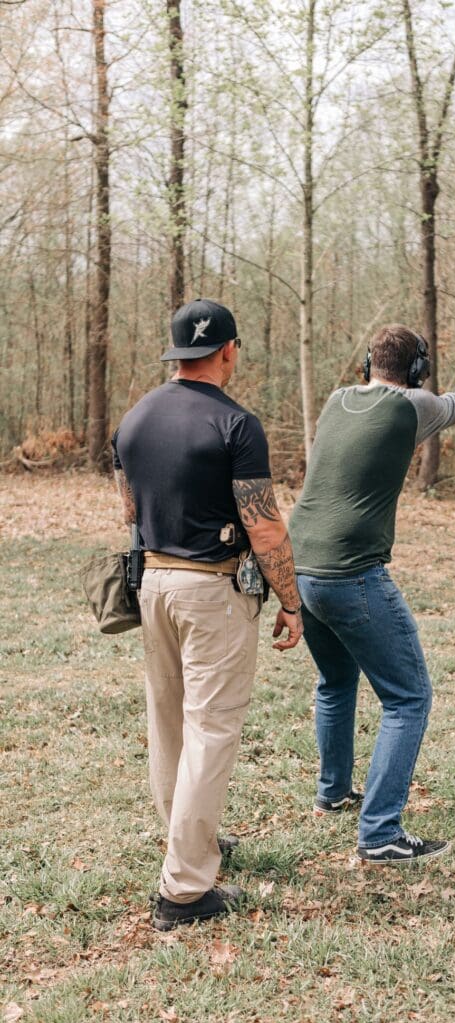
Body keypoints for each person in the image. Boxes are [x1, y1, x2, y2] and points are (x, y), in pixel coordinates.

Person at [112, 298, 303, 931]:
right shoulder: (236, 425)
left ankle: (189, 841)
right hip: (210, 589)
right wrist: (291, 601)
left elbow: (129, 507)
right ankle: (184, 891)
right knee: (212, 728)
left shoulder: (134, 419)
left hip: (154, 581)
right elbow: (267, 529)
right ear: (227, 351)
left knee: (168, 724)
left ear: (176, 352)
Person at [289, 324, 455, 864]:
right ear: (418, 370)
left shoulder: (335, 400)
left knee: (335, 679)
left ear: (368, 365)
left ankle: (332, 793)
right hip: (352, 574)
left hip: (300, 566)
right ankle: (379, 832)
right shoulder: (411, 405)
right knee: (408, 697)